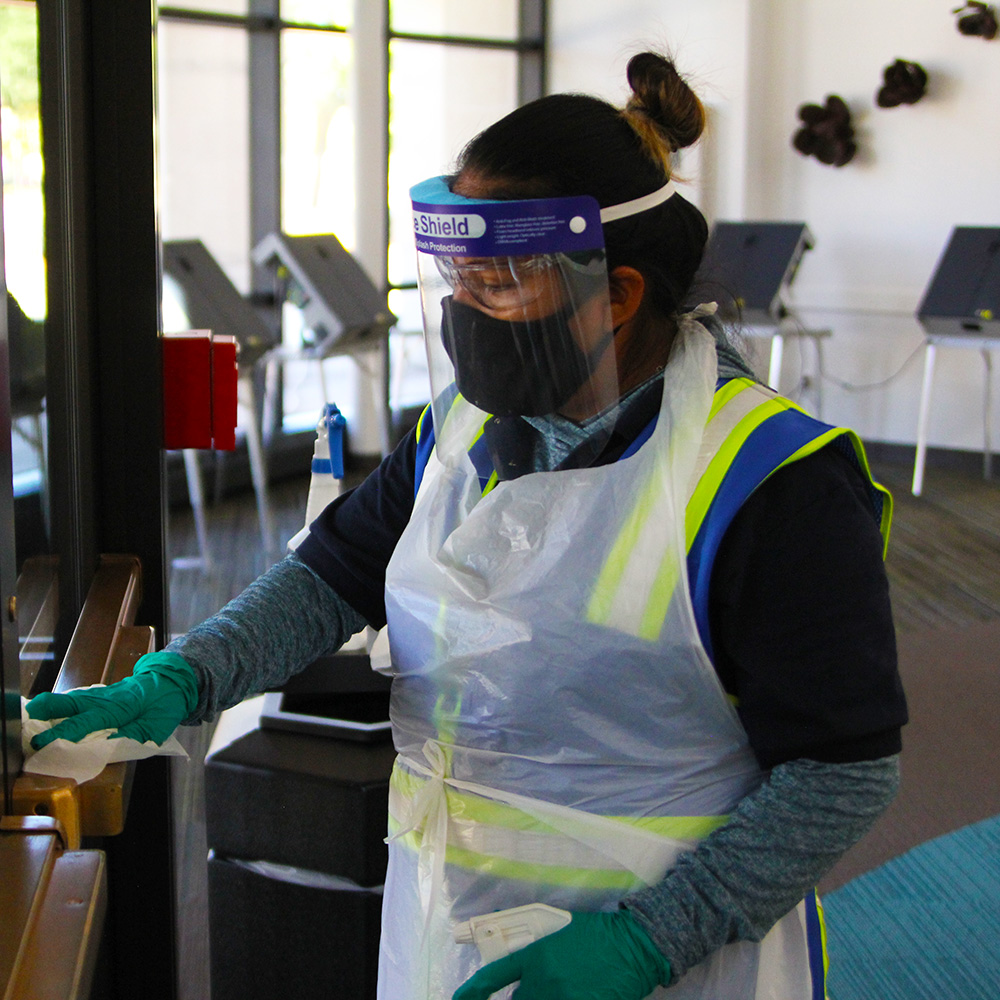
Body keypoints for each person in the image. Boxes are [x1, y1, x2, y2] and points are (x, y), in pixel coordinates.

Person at [27, 51, 906, 1000]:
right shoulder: (458, 429)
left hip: (664, 961)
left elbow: (843, 770)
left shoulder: (773, 484)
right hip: (446, 918)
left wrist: (653, 942)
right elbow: (332, 576)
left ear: (616, 295)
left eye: (499, 283)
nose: (462, 311)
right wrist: (191, 671)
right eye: (456, 277)